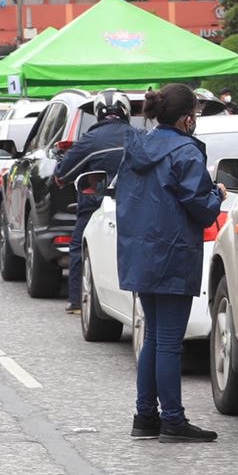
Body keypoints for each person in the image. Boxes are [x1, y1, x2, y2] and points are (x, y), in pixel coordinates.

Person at [114, 84, 226, 442]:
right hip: (173, 252)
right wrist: (218, 194)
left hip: (140, 252)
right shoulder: (185, 153)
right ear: (187, 118)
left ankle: (145, 417)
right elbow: (203, 208)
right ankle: (173, 420)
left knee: (154, 338)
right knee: (168, 343)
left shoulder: (138, 148)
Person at [57, 90, 136, 313]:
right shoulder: (138, 136)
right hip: (132, 206)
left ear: (98, 113)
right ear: (126, 111)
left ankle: (77, 302)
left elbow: (61, 176)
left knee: (78, 249)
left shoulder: (89, 140)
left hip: (95, 207)